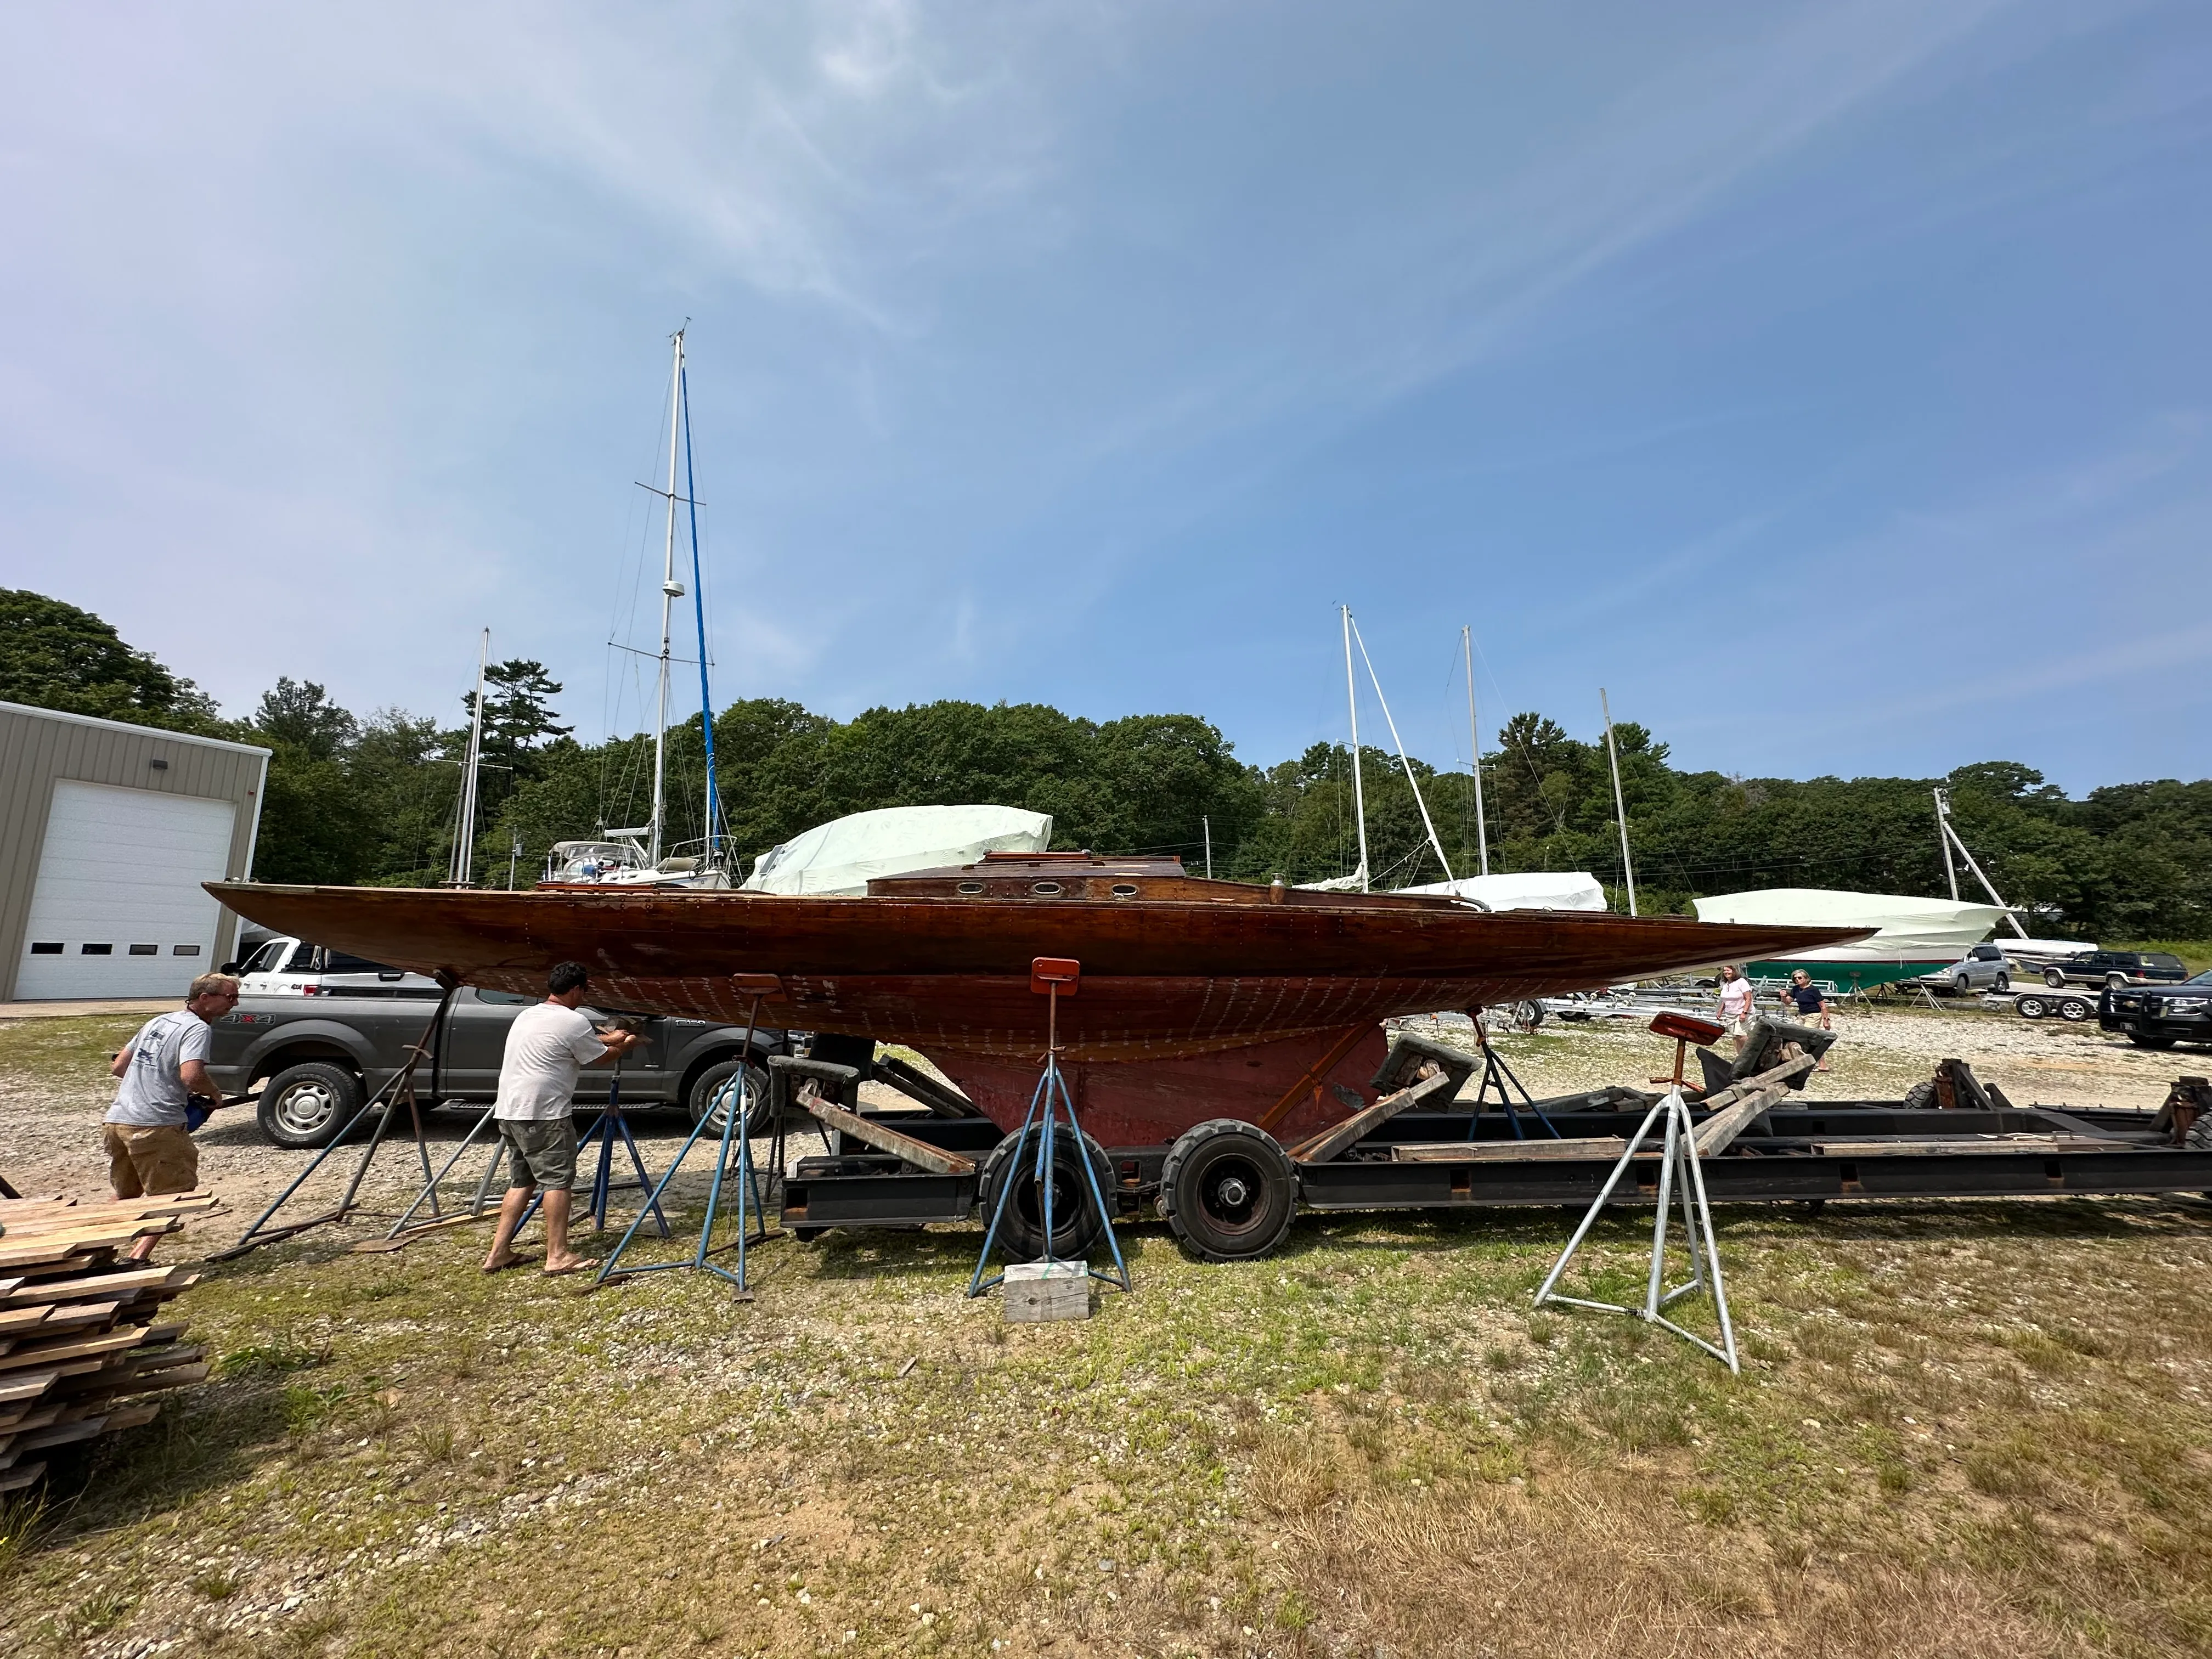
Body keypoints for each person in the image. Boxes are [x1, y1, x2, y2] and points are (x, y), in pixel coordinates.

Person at [482, 961, 643, 1277]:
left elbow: (565, 1043)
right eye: (584, 991)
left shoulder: (529, 1015)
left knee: (522, 1181)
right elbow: (600, 1059)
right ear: (576, 989)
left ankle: (498, 1253)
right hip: (544, 1114)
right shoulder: (573, 1020)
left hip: (511, 1110)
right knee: (557, 1181)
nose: (584, 997)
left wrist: (610, 1038)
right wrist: (626, 1044)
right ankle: (557, 1256)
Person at [104, 972, 241, 1260]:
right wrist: (214, 1093)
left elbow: (119, 1067)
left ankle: (96, 1250)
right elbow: (191, 1076)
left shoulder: (159, 1021)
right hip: (156, 1126)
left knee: (125, 1194)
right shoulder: (198, 1029)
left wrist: (155, 1082)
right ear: (205, 999)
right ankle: (135, 1259)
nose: (235, 1003)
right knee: (174, 1195)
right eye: (229, 997)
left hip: (119, 1121)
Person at [1784, 969, 1833, 1073]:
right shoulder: (1796, 989)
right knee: (1795, 1036)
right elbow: (1788, 1002)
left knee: (1809, 1039)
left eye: (1800, 978)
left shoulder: (1813, 990)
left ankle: (1821, 1064)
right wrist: (1783, 997)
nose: (1797, 980)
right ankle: (1801, 1061)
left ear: (1806, 978)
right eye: (1795, 978)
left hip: (1814, 1016)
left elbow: (1823, 1005)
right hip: (1801, 1016)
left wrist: (1826, 1020)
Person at [1717, 964, 1755, 1054]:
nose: (1726, 972)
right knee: (1735, 1036)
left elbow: (1748, 998)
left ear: (1734, 971)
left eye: (1729, 970)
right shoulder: (1726, 985)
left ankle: (1750, 1054)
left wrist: (1744, 1013)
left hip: (1742, 1013)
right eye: (1725, 971)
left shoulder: (1742, 982)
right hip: (1730, 1014)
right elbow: (1725, 1000)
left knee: (1741, 1035)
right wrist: (1720, 1011)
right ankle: (1740, 1056)